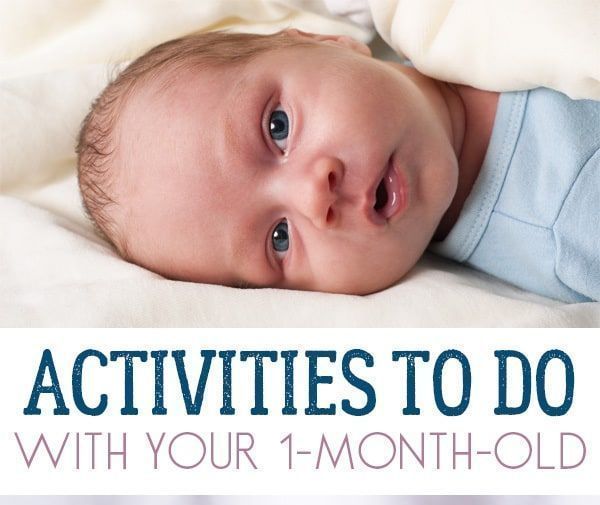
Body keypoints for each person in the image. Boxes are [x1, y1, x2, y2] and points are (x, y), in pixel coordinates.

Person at [76, 28, 599, 301]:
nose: (312, 197)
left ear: (321, 40)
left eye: (277, 127)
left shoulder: (431, 19)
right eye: (278, 240)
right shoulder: (569, 223)